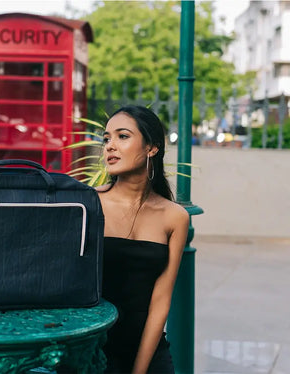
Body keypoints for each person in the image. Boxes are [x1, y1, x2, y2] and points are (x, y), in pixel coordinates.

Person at [96, 105, 189, 374]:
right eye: (106, 138)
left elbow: (161, 300)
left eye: (122, 136)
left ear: (152, 147)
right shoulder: (88, 203)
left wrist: (139, 370)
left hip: (148, 348)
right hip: (93, 347)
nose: (110, 146)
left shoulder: (175, 216)